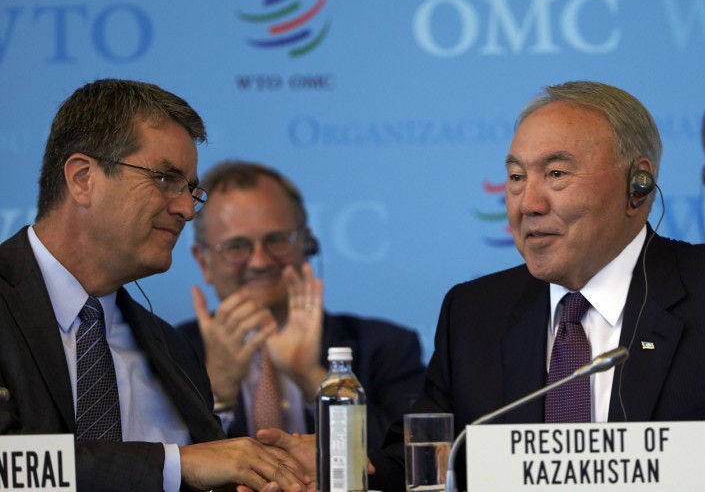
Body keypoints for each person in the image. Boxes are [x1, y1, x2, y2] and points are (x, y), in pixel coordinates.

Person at [259, 81, 705, 491]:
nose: (528, 204)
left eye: (556, 174)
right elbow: (422, 461)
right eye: (517, 178)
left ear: (637, 185)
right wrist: (347, 467)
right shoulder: (474, 313)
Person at [0, 79, 311, 492]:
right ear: (82, 178)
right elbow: (7, 465)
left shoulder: (174, 351)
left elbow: (212, 472)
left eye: (191, 190)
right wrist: (176, 463)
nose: (186, 209)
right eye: (165, 178)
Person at [177, 161, 426, 450]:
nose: (259, 261)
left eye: (276, 240)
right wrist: (217, 393)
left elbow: (410, 456)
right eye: (236, 246)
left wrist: (315, 380)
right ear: (203, 261)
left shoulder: (387, 348)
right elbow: (168, 465)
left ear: (306, 245)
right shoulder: (172, 354)